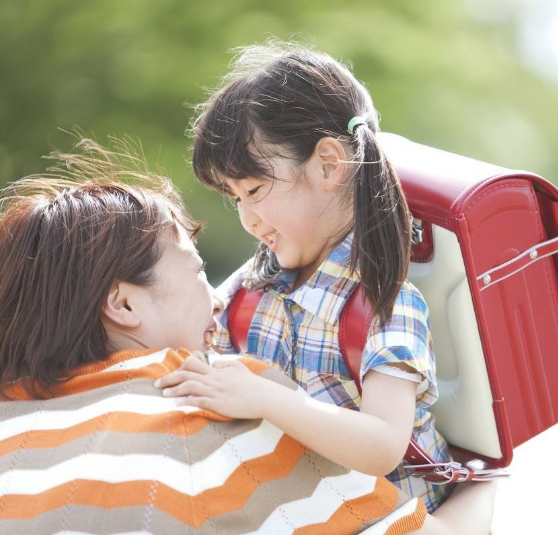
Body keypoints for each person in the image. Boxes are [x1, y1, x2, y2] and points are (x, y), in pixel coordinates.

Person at [0, 139, 431, 535]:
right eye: (198, 272)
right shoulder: (207, 404)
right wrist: (472, 488)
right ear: (124, 305)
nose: (218, 299)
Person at [156, 41, 496, 532]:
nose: (247, 218)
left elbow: (383, 444)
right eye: (235, 198)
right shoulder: (246, 294)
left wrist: (266, 397)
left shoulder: (386, 302)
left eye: (254, 190)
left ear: (329, 165)